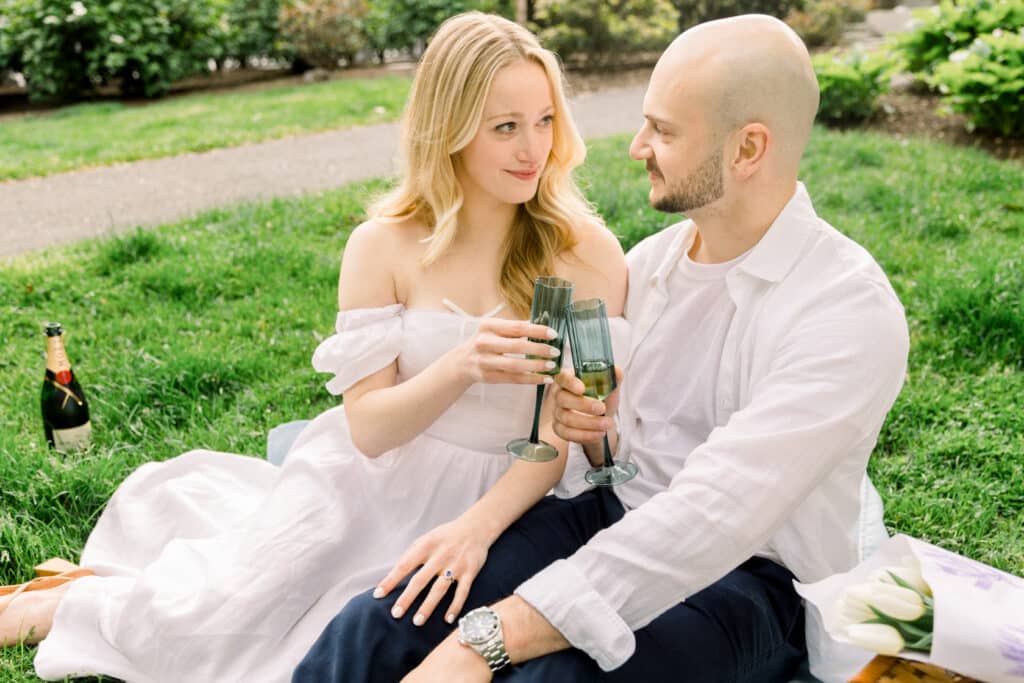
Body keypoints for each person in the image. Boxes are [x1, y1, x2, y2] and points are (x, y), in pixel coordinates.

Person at [0, 12, 627, 682]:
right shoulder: (383, 245)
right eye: (506, 126)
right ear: (449, 129)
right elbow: (369, 427)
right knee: (220, 624)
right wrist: (460, 364)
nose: (532, 148)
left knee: (343, 638)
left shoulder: (582, 250)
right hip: (373, 481)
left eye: (545, 121)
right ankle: (69, 601)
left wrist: (477, 526)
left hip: (507, 495)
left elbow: (566, 432)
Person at [294, 13, 911, 683]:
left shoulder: (844, 312)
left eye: (664, 130)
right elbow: (615, 454)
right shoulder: (651, 268)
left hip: (751, 579)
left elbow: (711, 517)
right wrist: (592, 435)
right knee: (379, 624)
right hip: (611, 514)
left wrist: (483, 640)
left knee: (543, 678)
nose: (636, 144)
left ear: (748, 148)